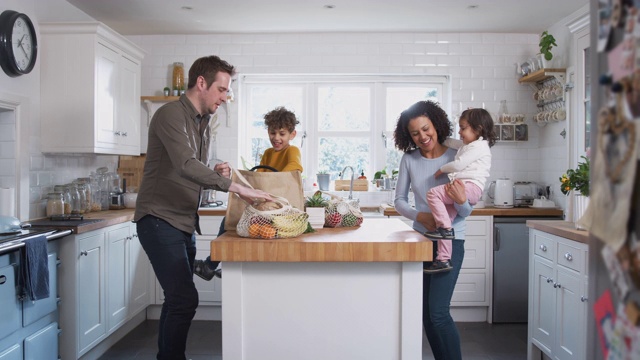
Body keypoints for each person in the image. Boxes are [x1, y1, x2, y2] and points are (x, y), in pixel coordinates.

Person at [134, 55, 273, 360]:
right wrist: (236, 187)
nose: (225, 97)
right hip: (158, 218)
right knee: (184, 298)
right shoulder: (170, 115)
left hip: (183, 221)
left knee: (176, 299)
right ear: (201, 83)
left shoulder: (204, 123)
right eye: (222, 90)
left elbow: (193, 165)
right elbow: (185, 165)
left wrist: (216, 170)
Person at [393, 100, 472, 360]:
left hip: (451, 242)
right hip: (421, 241)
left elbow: (466, 212)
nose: (422, 137)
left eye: (426, 129)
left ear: (436, 125)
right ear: (408, 136)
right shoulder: (410, 159)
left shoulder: (456, 158)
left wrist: (461, 200)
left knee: (438, 312)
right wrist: (421, 217)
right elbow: (399, 201)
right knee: (427, 314)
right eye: (415, 133)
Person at [194, 106, 303, 280]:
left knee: (235, 223)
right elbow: (261, 177)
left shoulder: (292, 151)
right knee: (231, 221)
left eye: (282, 134)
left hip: (280, 208)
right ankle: (229, 264)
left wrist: (272, 180)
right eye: (272, 132)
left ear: (292, 135)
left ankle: (211, 265)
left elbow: (294, 168)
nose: (276, 138)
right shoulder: (268, 153)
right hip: (267, 204)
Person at [423, 108, 497, 273]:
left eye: (463, 128)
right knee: (445, 222)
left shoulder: (480, 146)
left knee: (433, 194)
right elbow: (453, 143)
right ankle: (443, 259)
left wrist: (441, 169)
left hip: (469, 187)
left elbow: (458, 165)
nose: (460, 132)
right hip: (465, 186)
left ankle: (445, 230)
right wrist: (438, 136)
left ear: (477, 129)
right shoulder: (470, 145)